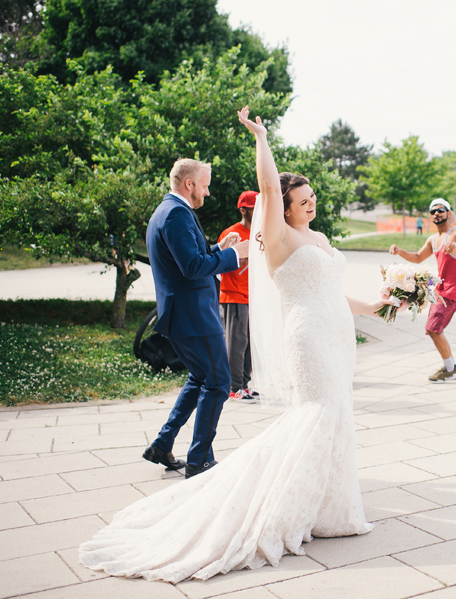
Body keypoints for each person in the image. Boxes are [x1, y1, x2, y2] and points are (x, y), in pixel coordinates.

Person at [79, 106, 395, 583]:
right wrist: (261, 138)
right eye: (302, 199)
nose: (311, 203)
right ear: (282, 207)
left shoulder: (320, 236)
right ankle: (276, 500)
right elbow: (268, 186)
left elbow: (331, 291)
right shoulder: (280, 237)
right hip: (308, 338)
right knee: (318, 413)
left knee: (337, 414)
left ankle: (330, 508)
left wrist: (375, 306)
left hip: (336, 335)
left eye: (313, 197)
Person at [140, 159, 249, 479]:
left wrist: (218, 248)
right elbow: (191, 268)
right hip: (194, 315)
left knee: (201, 378)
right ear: (189, 184)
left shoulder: (166, 210)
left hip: (184, 314)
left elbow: (187, 260)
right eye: (205, 185)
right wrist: (234, 256)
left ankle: (162, 444)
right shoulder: (176, 213)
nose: (208, 192)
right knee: (218, 383)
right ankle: (199, 459)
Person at [390, 198, 456, 382]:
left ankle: (451, 369)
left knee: (433, 329)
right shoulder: (433, 239)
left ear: (448, 213)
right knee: (433, 329)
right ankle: (451, 368)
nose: (436, 214)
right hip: (441, 291)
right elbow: (417, 257)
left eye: (440, 210)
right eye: (433, 211)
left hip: (454, 291)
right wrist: (400, 251)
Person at [218, 190, 258, 403]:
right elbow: (219, 263)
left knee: (250, 343)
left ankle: (245, 384)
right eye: (254, 208)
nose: (258, 211)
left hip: (254, 297)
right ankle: (234, 387)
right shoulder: (231, 233)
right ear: (244, 209)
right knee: (237, 342)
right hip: (234, 295)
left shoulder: (260, 233)